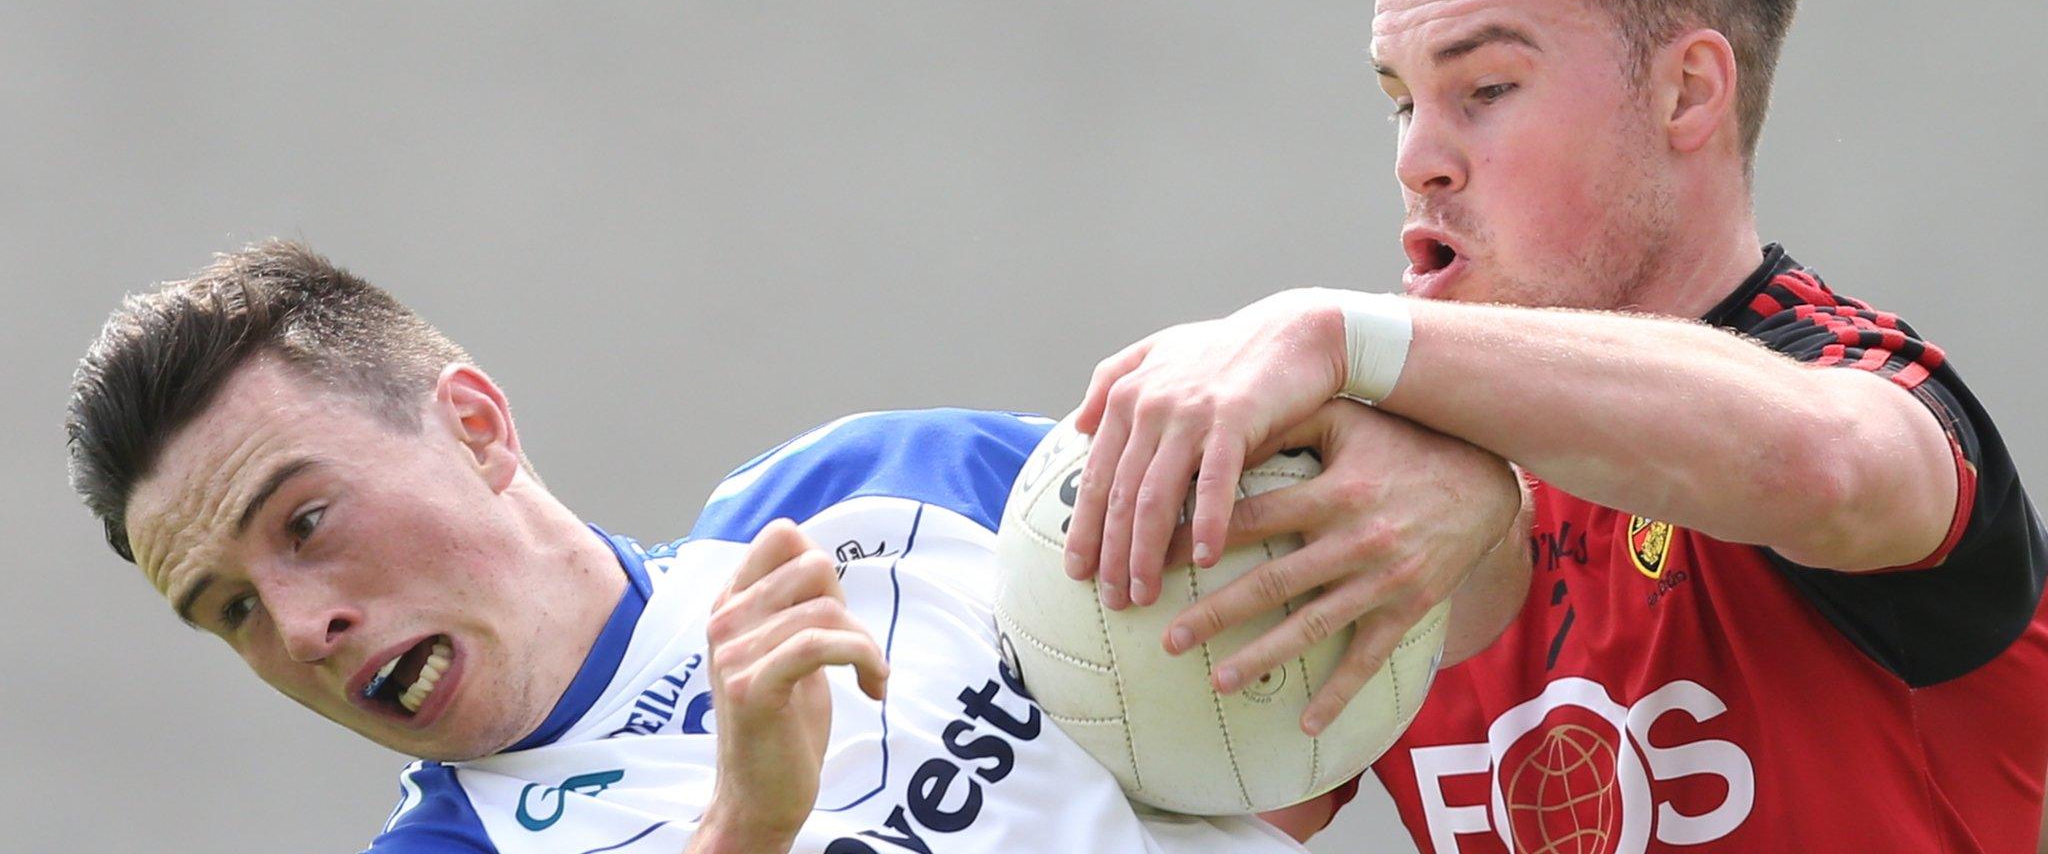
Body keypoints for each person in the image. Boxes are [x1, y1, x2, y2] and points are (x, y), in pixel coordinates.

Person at [1063, 0, 2048, 854]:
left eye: (1483, 86)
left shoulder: (1856, 387)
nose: (1415, 156)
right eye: (1400, 97)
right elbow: (1156, 817)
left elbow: (1824, 462)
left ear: (1685, 93)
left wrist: (1337, 336)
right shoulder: (1375, 495)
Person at [66, 240, 1524, 852]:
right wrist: (744, 836)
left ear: (474, 425)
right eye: (229, 611)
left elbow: (1348, 663)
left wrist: (1465, 497)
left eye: (303, 523)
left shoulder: (888, 489)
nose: (297, 625)